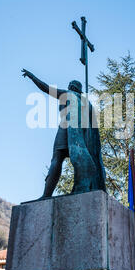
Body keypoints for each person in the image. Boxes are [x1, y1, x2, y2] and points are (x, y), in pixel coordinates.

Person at [22, 69, 106, 198]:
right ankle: (81, 186)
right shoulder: (87, 103)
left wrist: (32, 77)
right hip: (82, 136)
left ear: (71, 87)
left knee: (57, 158)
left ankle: (46, 195)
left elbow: (46, 88)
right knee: (70, 157)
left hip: (65, 129)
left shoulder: (68, 94)